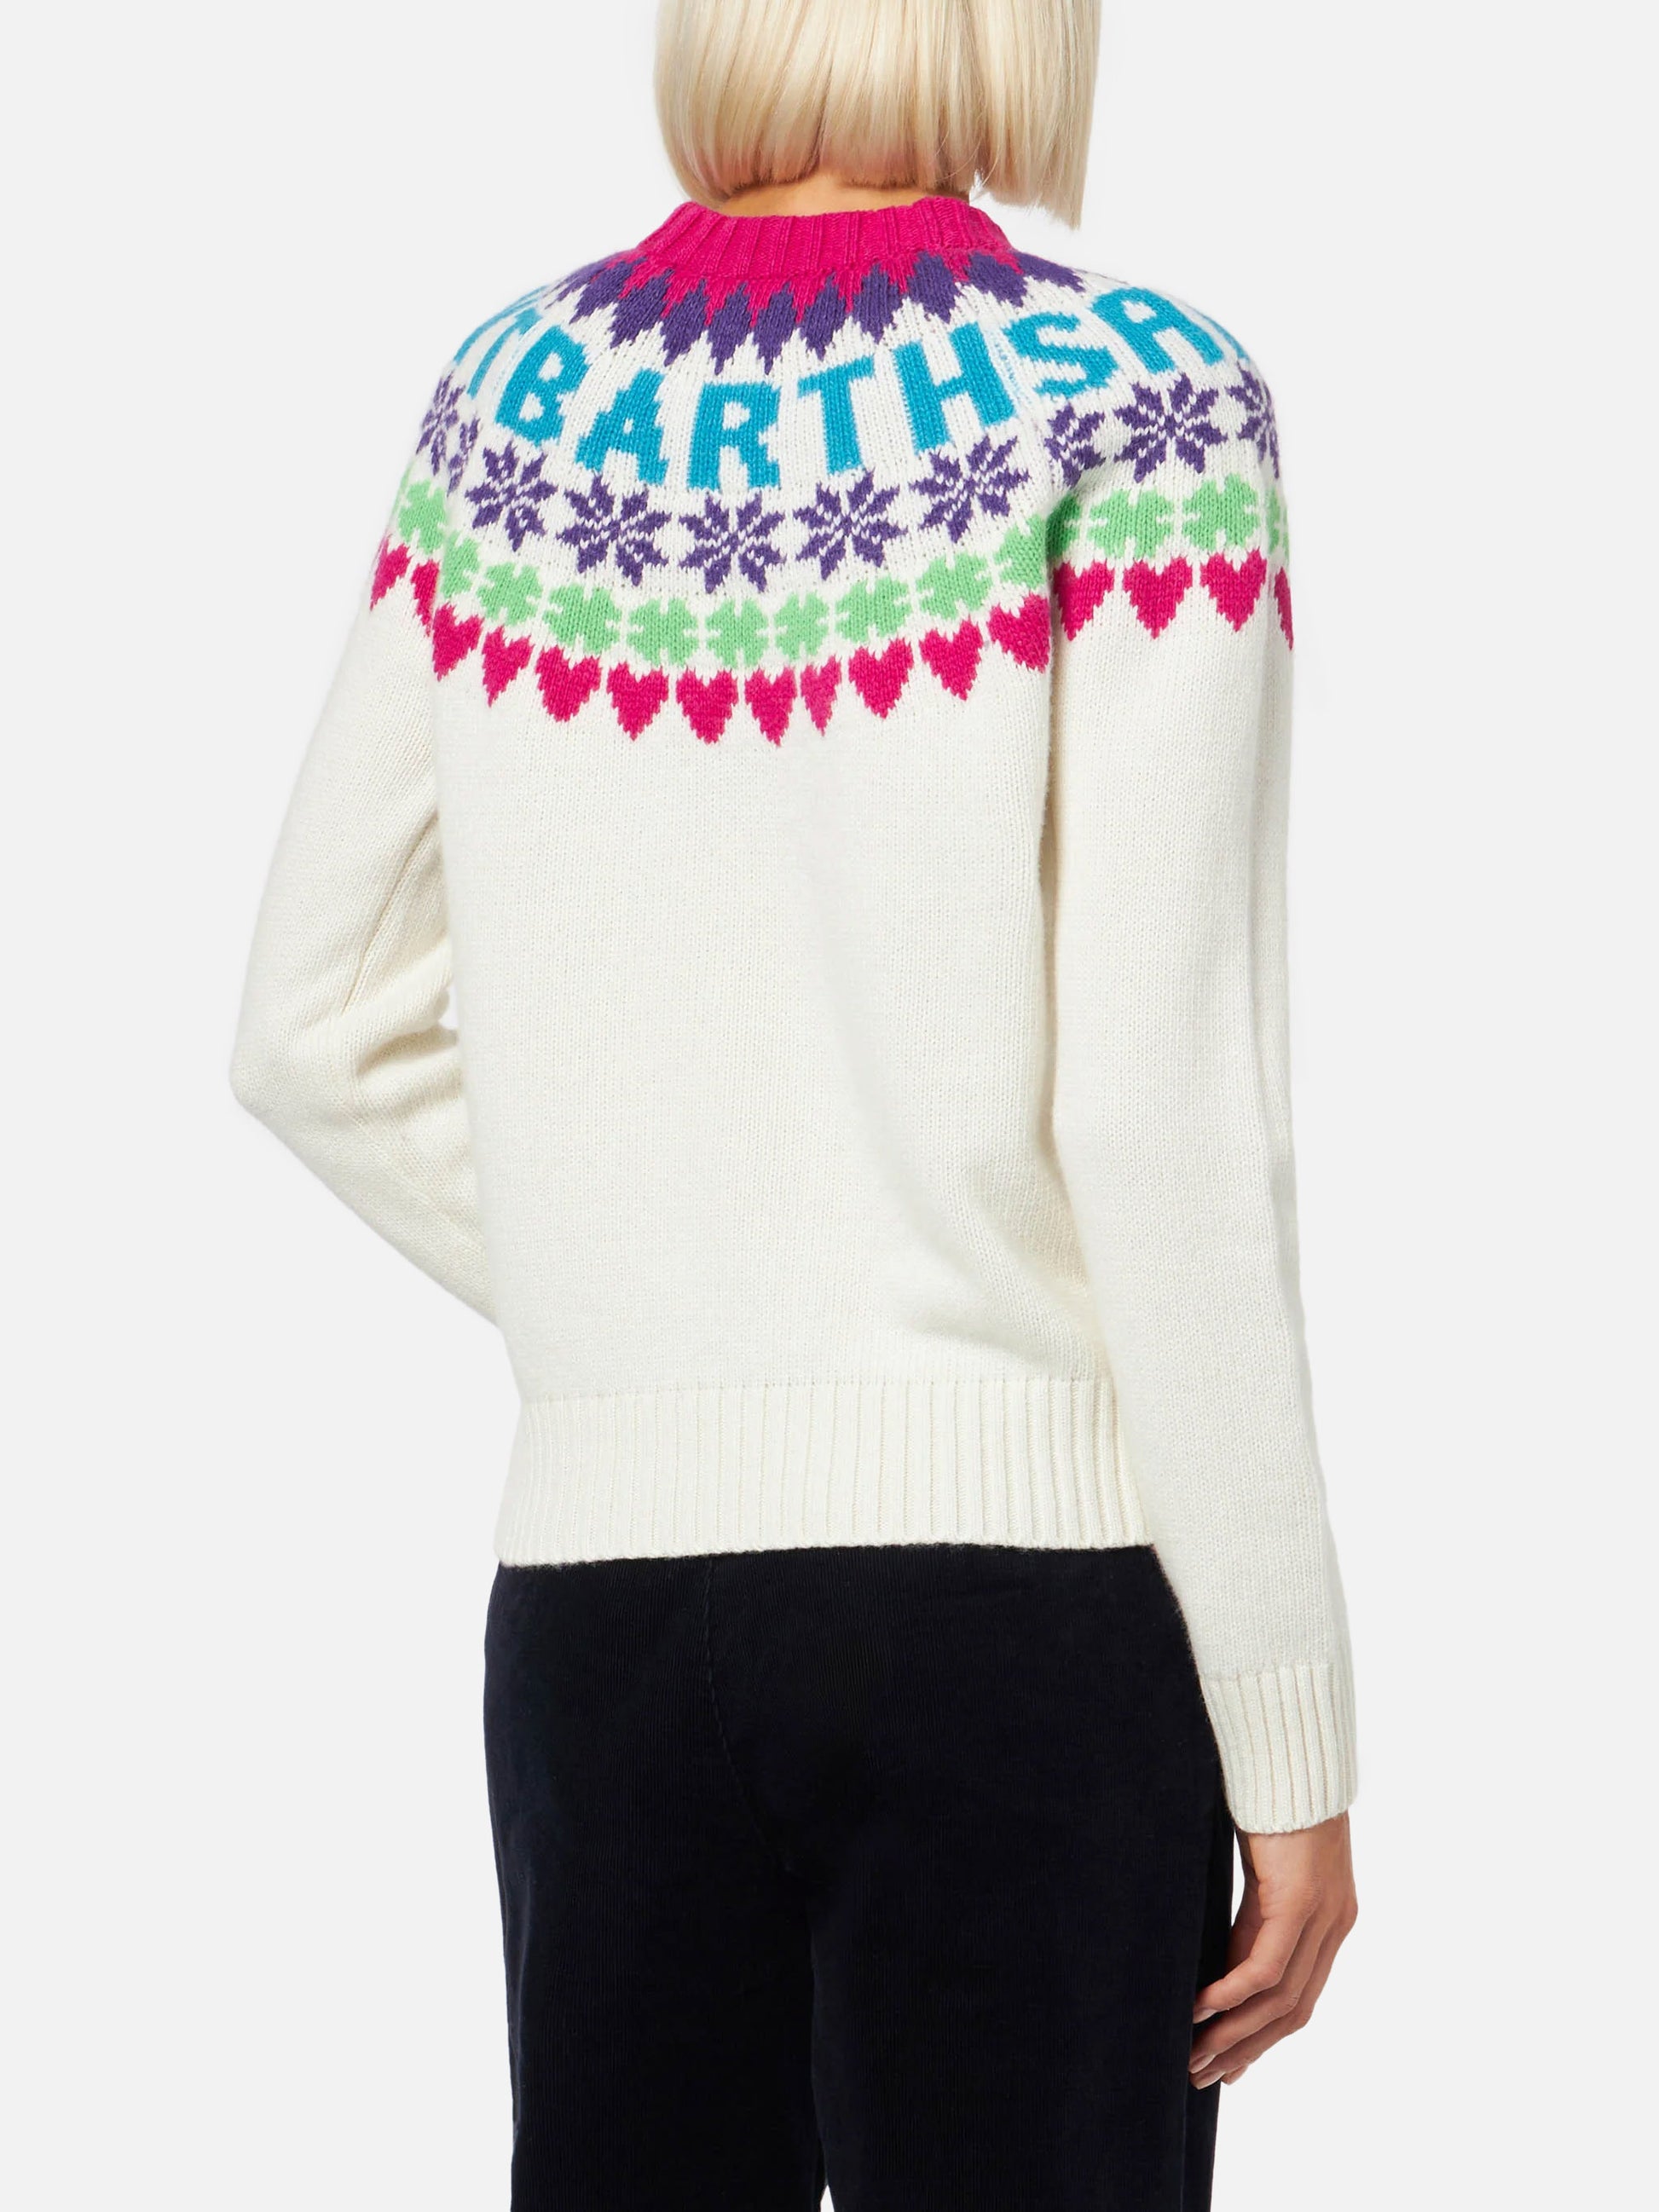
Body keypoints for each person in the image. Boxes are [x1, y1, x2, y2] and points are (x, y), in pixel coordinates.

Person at [231, 0, 1358, 2202]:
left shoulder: (510, 409)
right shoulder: (1142, 400)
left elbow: (311, 1022)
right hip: (1023, 1613)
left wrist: (664, 1309)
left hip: (603, 1624)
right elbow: (1158, 1115)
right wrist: (1290, 1734)